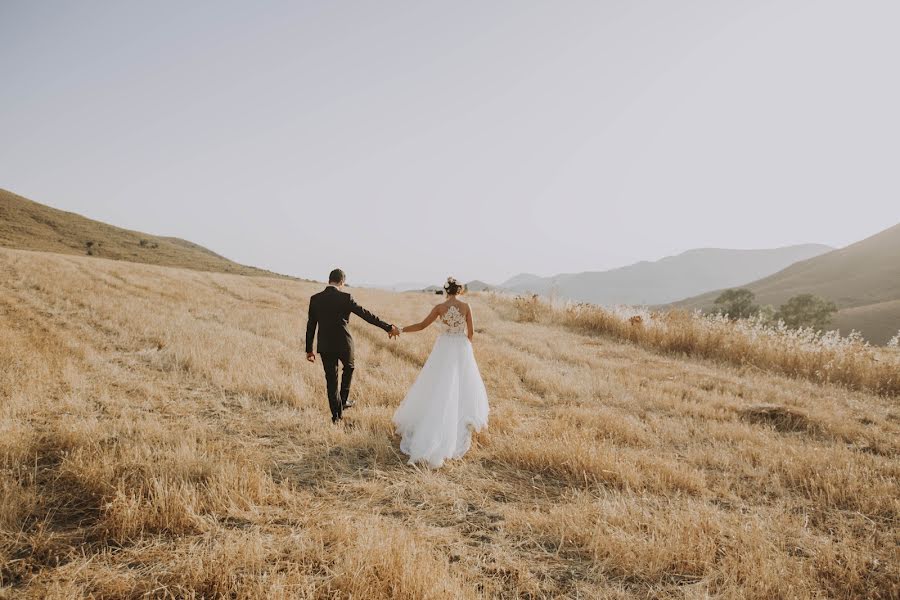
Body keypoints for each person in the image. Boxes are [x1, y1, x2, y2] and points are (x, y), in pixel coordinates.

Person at [392, 277, 489, 467]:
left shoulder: (439, 308)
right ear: (460, 291)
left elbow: (421, 326)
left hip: (444, 347)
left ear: (446, 291)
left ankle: (433, 423)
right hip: (461, 347)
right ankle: (460, 421)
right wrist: (465, 347)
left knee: (438, 384)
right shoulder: (466, 306)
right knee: (462, 384)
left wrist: (400, 329)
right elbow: (471, 333)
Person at [306, 268, 400, 423]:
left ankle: (336, 415)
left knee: (331, 379)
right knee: (349, 368)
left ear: (329, 280)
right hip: (344, 343)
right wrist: (388, 327)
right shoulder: (345, 297)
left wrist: (309, 349)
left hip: (325, 345)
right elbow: (366, 315)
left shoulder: (315, 298)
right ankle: (342, 402)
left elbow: (311, 325)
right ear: (342, 282)